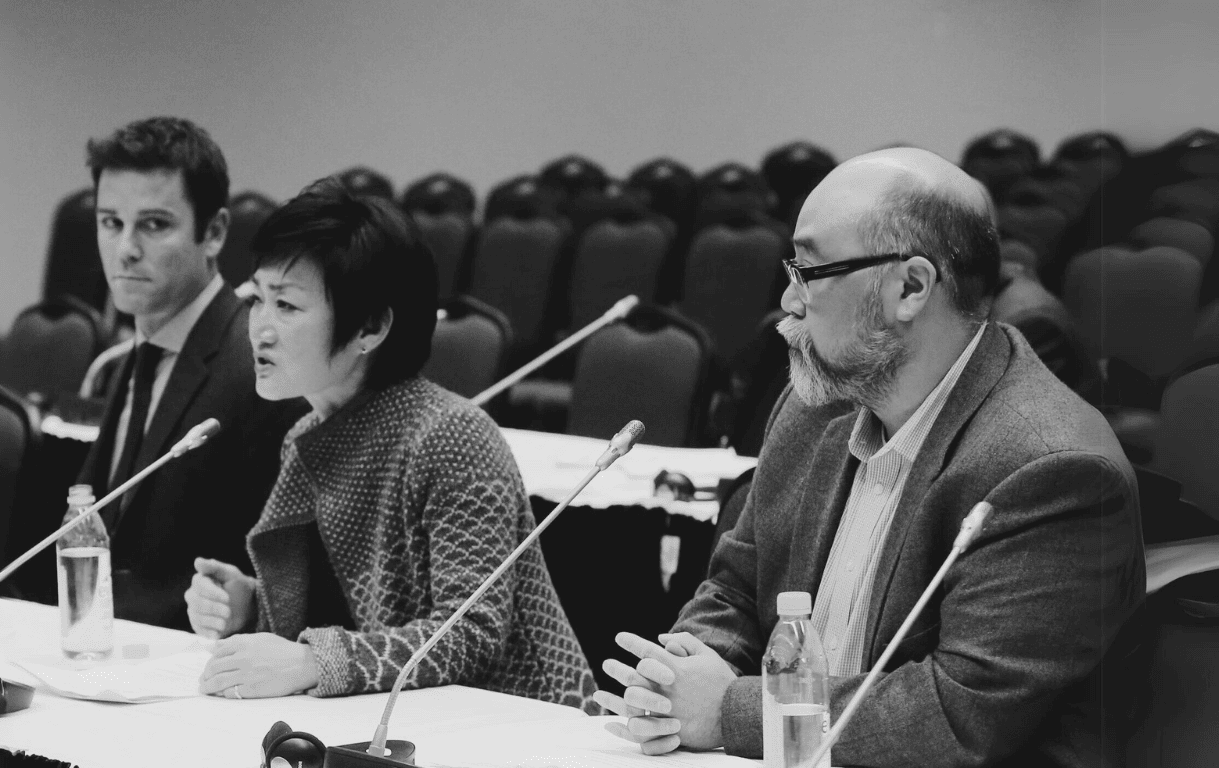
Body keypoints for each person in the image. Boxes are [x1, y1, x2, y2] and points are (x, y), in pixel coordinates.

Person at [597, 147, 1144, 767]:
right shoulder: (816, 408)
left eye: (810, 271)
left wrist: (728, 709)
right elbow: (737, 588)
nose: (789, 300)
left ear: (909, 287)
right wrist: (683, 675)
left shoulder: (1050, 469)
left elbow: (954, 717)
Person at [183, 178, 598, 712]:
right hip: (404, 725)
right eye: (256, 299)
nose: (259, 328)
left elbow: (470, 631)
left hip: (524, 729)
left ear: (371, 326)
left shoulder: (451, 435)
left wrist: (313, 662)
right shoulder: (307, 438)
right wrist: (251, 604)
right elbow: (352, 613)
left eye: (286, 305)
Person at [74, 116, 306, 629]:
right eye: (111, 222)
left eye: (154, 224)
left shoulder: (261, 369)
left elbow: (295, 574)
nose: (126, 248)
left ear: (215, 232)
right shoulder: (133, 357)